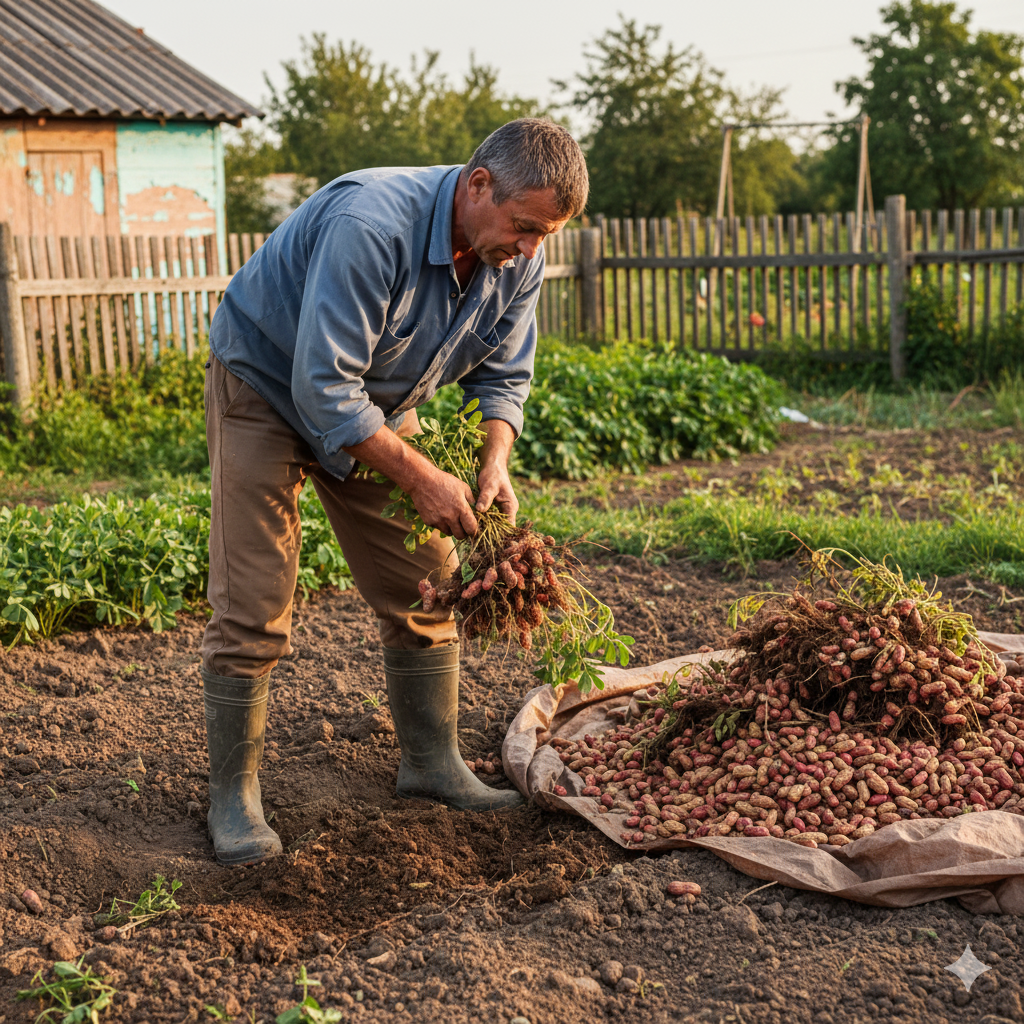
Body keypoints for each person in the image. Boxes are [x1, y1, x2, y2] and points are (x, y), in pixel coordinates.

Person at [200, 118, 589, 865]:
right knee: (253, 601)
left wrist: (493, 459)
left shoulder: (516, 255)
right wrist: (418, 473)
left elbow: (504, 375)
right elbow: (321, 388)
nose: (532, 249)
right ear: (479, 187)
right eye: (525, 228)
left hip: (375, 399)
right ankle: (233, 799)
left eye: (547, 236)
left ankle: (432, 764)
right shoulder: (371, 225)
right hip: (268, 385)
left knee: (429, 583)